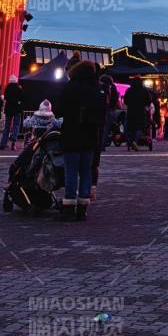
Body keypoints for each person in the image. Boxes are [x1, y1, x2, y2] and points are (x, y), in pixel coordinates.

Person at [55, 59, 104, 220]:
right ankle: (83, 207)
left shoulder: (70, 87)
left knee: (71, 171)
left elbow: (58, 110)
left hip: (72, 134)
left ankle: (69, 206)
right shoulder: (96, 89)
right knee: (86, 171)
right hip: (90, 136)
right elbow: (102, 114)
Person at [124, 79, 154, 151]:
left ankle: (131, 141)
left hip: (131, 112)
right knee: (140, 127)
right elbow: (149, 100)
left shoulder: (129, 90)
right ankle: (135, 141)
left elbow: (125, 100)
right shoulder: (144, 91)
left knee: (131, 127)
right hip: (140, 112)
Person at [0, 77, 25, 150]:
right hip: (17, 110)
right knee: (16, 126)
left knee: (7, 127)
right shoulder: (19, 87)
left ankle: (3, 144)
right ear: (16, 81)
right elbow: (22, 98)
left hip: (8, 109)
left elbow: (5, 97)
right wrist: (18, 102)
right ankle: (13, 142)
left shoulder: (8, 88)